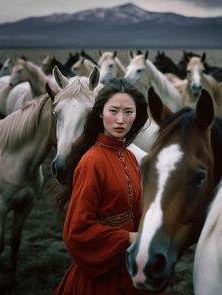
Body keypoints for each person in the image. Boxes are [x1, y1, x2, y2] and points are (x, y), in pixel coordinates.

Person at [53, 78, 165, 295]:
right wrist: (128, 238)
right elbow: (77, 232)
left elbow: (136, 212)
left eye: (128, 112)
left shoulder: (130, 157)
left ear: (137, 115)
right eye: (113, 111)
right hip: (101, 274)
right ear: (99, 113)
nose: (121, 120)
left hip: (131, 265)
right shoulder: (91, 161)